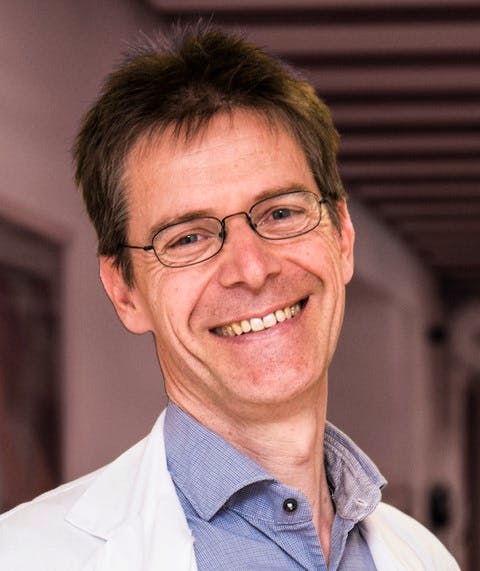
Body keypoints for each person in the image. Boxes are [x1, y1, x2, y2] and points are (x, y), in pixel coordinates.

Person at [0, 24, 459, 570]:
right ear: (125, 291)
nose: (252, 269)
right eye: (188, 238)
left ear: (341, 236)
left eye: (281, 213)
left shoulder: (423, 555)